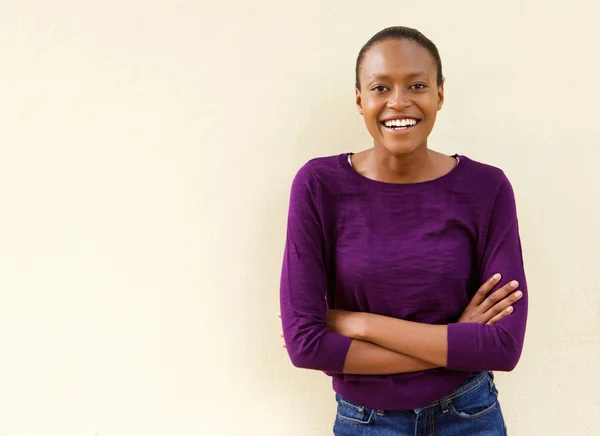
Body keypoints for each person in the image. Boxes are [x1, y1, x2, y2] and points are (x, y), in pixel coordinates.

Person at [278, 26, 528, 435]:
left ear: (440, 94)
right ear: (360, 100)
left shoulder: (487, 188)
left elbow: (503, 346)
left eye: (417, 85)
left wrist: (357, 324)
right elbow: (307, 345)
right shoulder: (319, 185)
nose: (398, 101)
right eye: (380, 87)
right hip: (366, 422)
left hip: (469, 417)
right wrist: (455, 341)